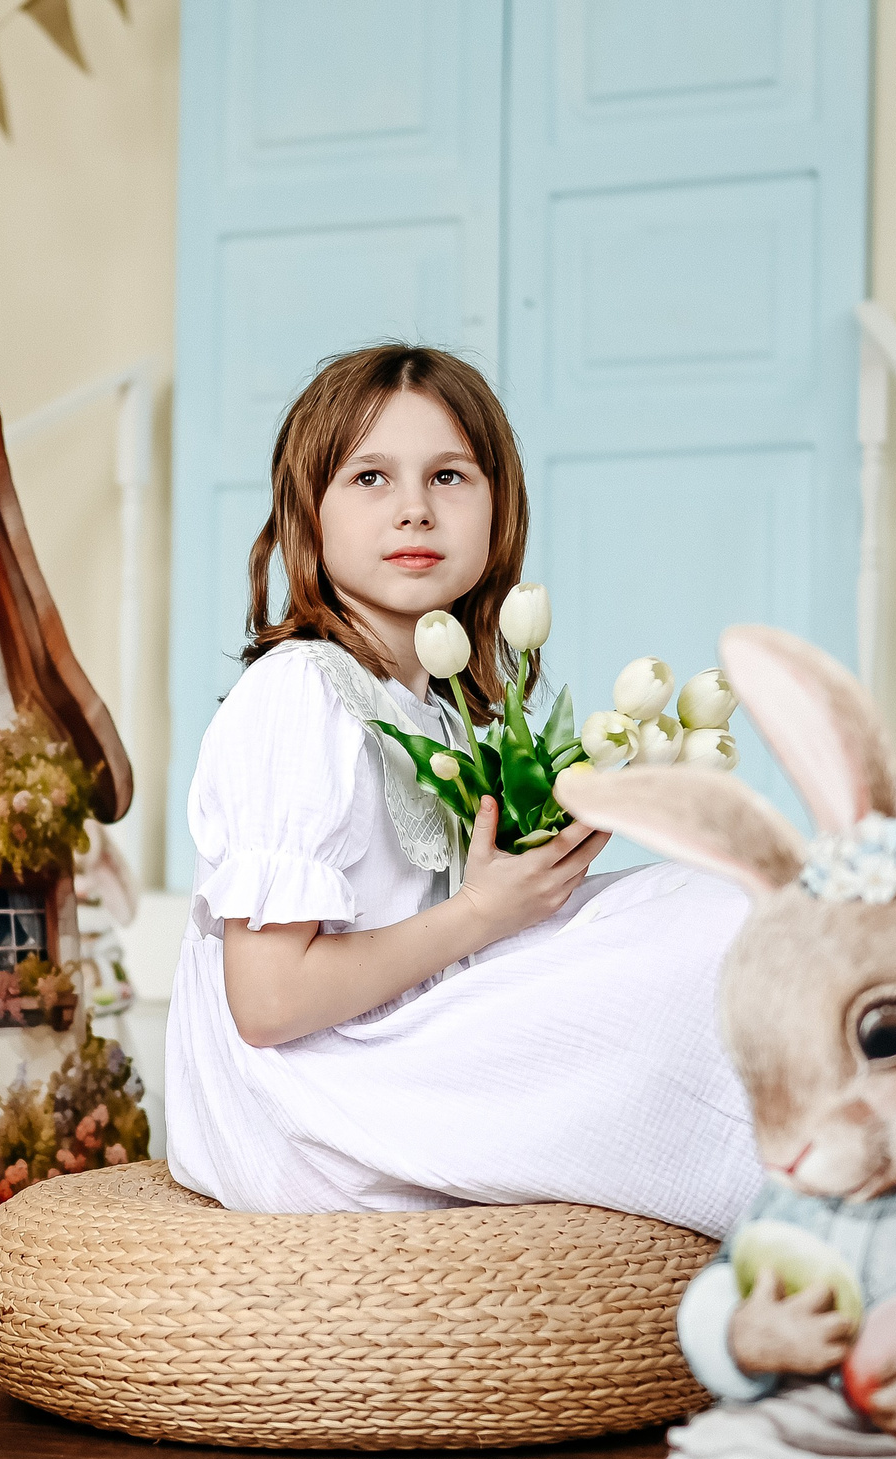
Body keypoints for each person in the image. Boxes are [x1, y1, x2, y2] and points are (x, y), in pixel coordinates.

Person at [163, 344, 760, 1233]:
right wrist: (486, 915)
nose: (414, 508)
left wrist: (534, 881)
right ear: (309, 516)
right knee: (704, 926)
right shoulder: (300, 693)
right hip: (313, 1106)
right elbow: (270, 1003)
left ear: (496, 511)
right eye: (369, 477)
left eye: (449, 475)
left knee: (714, 899)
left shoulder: (437, 711)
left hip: (398, 1039)